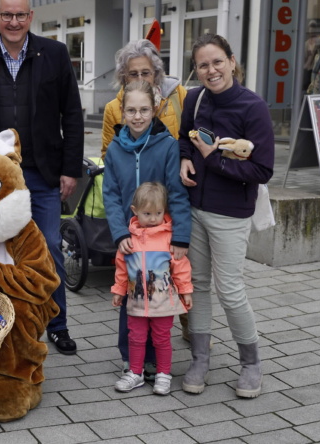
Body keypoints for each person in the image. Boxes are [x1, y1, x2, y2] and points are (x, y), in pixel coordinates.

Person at [0, 0, 84, 355]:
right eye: (7, 15)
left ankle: (56, 325)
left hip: (43, 173)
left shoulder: (55, 54)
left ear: (31, 17)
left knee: (48, 248)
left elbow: (72, 115)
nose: (14, 22)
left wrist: (69, 169)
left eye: (20, 15)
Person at [179, 34, 274, 399]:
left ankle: (250, 364)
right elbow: (184, 137)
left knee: (231, 290)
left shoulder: (253, 107)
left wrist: (211, 159)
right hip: (194, 208)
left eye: (217, 62)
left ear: (232, 62)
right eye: (203, 64)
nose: (211, 70)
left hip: (231, 213)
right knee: (198, 285)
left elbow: (262, 170)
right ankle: (200, 358)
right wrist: (187, 155)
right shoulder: (195, 98)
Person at [100, 39, 190, 382]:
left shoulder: (166, 146)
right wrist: (119, 232)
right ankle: (133, 361)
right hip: (130, 238)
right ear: (121, 113)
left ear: (155, 110)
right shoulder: (115, 151)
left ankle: (158, 360)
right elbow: (109, 194)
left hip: (162, 238)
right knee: (129, 300)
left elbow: (178, 195)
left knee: (161, 297)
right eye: (131, 111)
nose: (137, 117)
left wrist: (180, 237)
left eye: (144, 111)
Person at [110, 182, 192, 396]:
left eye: (158, 212)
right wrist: (119, 291)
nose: (154, 218)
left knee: (162, 338)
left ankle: (164, 374)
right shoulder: (129, 240)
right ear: (135, 211)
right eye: (147, 213)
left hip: (163, 303)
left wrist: (186, 290)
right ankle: (135, 372)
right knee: (135, 337)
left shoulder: (168, 238)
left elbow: (181, 266)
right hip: (136, 302)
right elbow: (121, 268)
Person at [100, 39, 187, 157]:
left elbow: (189, 139)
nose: (140, 79)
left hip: (172, 172)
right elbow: (108, 154)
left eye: (145, 73)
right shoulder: (112, 109)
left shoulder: (178, 94)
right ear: (124, 77)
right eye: (133, 74)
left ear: (155, 73)